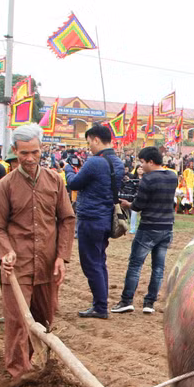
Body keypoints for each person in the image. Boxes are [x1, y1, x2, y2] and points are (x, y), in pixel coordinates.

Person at [0, 123, 75, 378]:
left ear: (42, 150)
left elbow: (67, 219)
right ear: (15, 151)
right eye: (23, 153)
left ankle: (42, 372)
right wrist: (6, 252)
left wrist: (62, 257)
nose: (29, 158)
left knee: (44, 320)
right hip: (18, 267)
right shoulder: (6, 186)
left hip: (48, 265)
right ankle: (19, 376)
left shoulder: (55, 181)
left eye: (34, 152)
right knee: (18, 324)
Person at [111, 146, 177, 315]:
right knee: (158, 268)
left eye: (142, 162)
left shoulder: (148, 179)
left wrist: (127, 204)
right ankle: (149, 303)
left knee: (135, 265)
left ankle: (126, 301)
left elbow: (139, 205)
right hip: (167, 227)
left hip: (148, 227)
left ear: (151, 162)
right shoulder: (172, 176)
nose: (141, 166)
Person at [67, 123, 123, 319]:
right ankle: (101, 303)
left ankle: (100, 307)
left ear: (97, 139)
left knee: (91, 263)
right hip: (106, 218)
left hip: (90, 218)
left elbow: (73, 183)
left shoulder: (94, 162)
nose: (89, 146)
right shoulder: (117, 162)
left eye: (89, 141)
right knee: (100, 261)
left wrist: (68, 168)